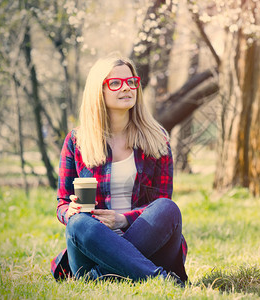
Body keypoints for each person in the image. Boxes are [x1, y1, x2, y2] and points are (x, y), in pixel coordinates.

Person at [50, 56, 188, 285]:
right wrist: (70, 210)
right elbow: (62, 204)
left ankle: (101, 277)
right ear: (99, 90)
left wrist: (123, 220)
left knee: (168, 208)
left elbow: (159, 204)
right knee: (78, 224)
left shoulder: (157, 139)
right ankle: (158, 278)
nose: (126, 88)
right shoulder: (77, 140)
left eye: (131, 81)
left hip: (146, 242)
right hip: (93, 245)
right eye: (116, 83)